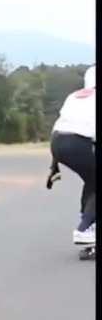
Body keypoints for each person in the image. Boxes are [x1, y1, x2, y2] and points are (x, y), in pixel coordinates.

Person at [48, 64, 95, 245]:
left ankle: (88, 221)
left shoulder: (74, 96)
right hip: (77, 142)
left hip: (57, 142)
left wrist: (54, 166)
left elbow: (61, 124)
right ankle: (84, 229)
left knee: (91, 180)